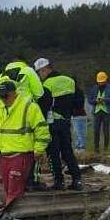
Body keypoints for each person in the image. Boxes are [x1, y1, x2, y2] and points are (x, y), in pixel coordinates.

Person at [0, 81, 50, 204]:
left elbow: (42, 129)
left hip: (20, 155)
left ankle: (12, 215)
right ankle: (13, 213)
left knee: (14, 190)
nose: (4, 99)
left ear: (14, 94)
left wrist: (39, 149)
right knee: (8, 188)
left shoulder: (29, 107)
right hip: (2, 156)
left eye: (6, 96)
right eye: (1, 96)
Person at [35, 58, 83, 190]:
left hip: (52, 123)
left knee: (53, 153)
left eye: (39, 72)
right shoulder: (69, 81)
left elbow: (43, 106)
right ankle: (77, 180)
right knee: (67, 151)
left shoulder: (46, 85)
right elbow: (79, 101)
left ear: (45, 69)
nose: (40, 75)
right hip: (66, 122)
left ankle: (59, 181)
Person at [86, 72, 110, 154]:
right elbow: (90, 100)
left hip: (107, 112)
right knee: (96, 130)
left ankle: (105, 148)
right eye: (99, 82)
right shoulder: (94, 88)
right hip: (97, 112)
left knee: (106, 130)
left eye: (102, 82)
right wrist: (95, 101)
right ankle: (96, 148)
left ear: (106, 80)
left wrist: (105, 99)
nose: (101, 83)